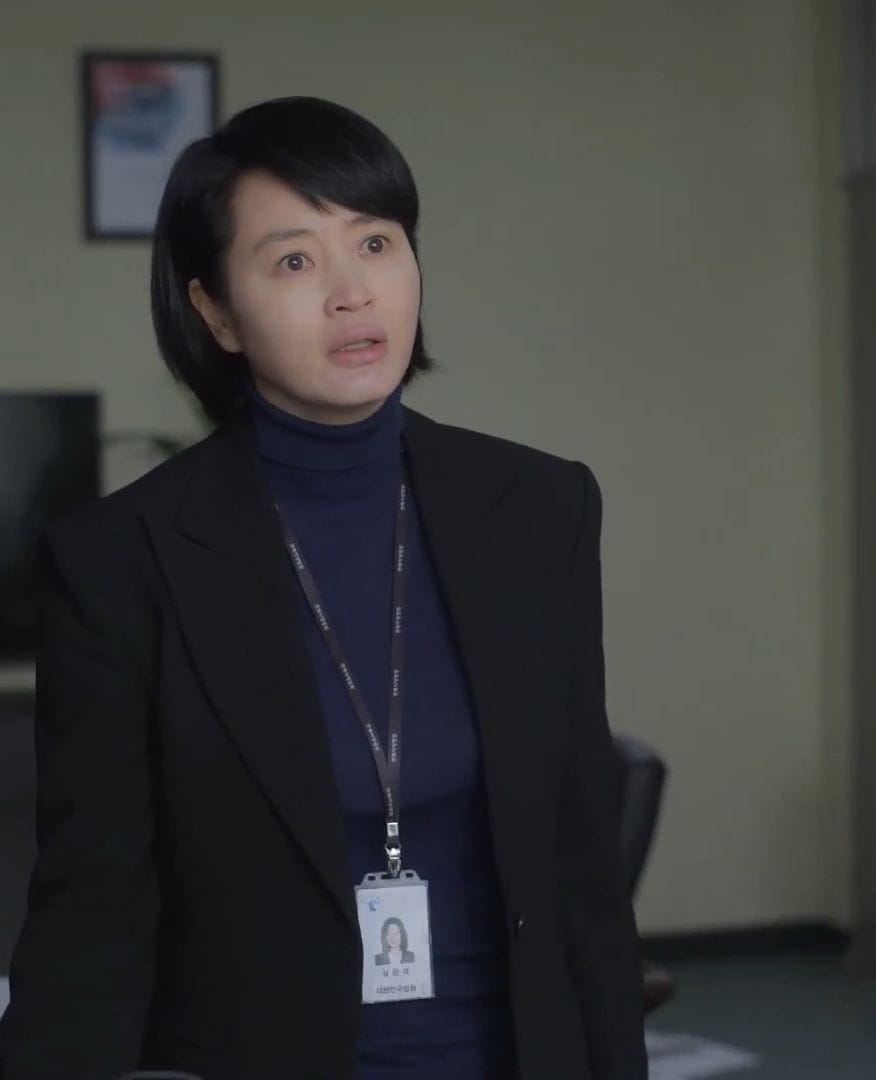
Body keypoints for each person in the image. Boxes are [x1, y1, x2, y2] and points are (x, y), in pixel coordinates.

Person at [0, 96, 646, 1080]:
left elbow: (581, 864)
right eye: (295, 261)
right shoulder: (121, 559)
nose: (352, 294)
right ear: (215, 310)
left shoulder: (539, 509)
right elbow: (95, 902)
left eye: (376, 243)